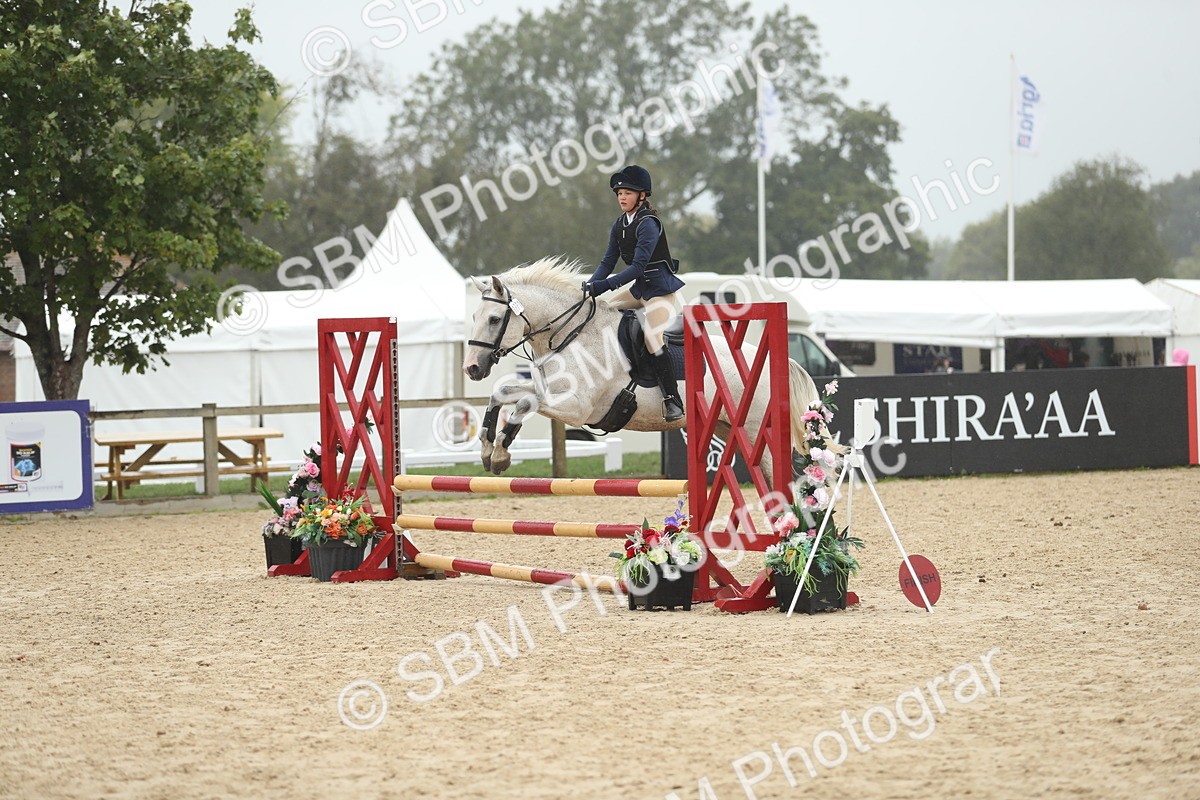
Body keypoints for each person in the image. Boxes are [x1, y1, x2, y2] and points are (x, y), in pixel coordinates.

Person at [583, 165, 686, 421]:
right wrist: (590, 288)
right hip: (639, 290)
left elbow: (638, 266)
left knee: (652, 336)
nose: (621, 197)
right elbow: (608, 262)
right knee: (601, 311)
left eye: (627, 192)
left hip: (660, 291)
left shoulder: (648, 224)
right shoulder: (620, 224)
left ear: (642, 195)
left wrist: (604, 286)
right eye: (619, 193)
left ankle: (672, 399)